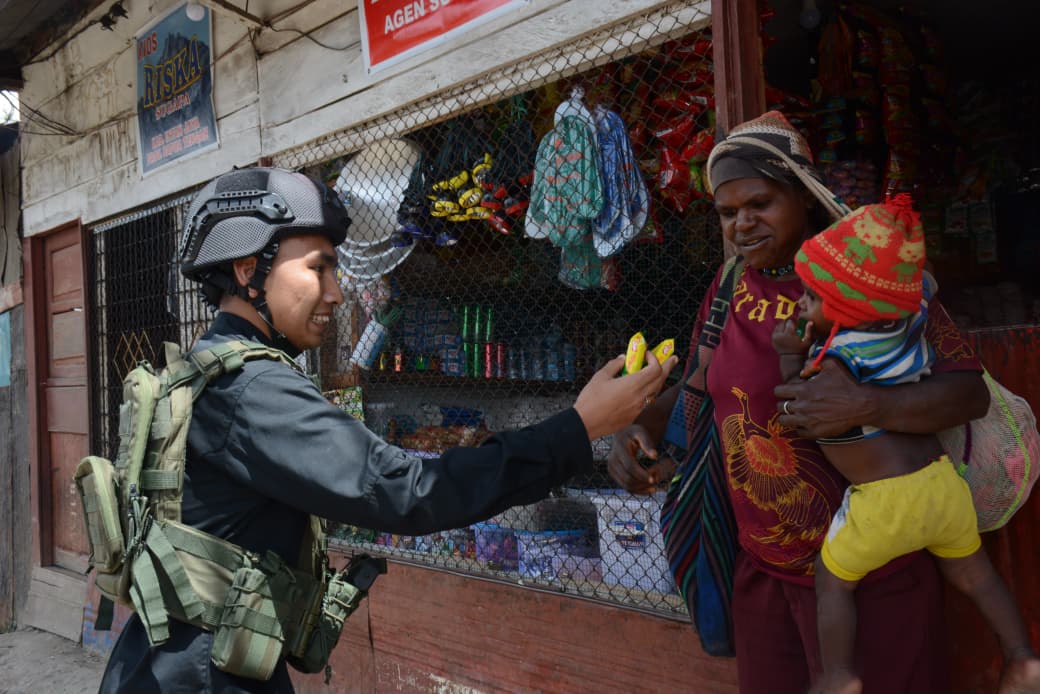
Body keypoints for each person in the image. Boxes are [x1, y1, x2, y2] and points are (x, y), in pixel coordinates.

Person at [99, 166, 677, 692]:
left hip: (180, 661)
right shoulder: (251, 390)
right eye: (317, 269)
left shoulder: (210, 367)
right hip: (202, 676)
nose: (334, 292)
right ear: (250, 271)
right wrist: (581, 427)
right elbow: (406, 491)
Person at [607, 111, 991, 692]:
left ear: (805, 197)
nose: (741, 224)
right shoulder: (729, 285)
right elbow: (700, 387)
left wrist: (868, 405)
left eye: (760, 204)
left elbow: (969, 392)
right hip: (763, 576)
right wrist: (641, 428)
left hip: (871, 575)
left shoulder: (869, 273)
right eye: (728, 213)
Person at [771, 195, 1040, 694]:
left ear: (850, 308)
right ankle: (1023, 659)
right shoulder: (907, 320)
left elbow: (801, 410)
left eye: (811, 297)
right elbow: (920, 284)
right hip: (942, 485)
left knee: (832, 580)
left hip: (885, 501)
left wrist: (790, 355)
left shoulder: (835, 361)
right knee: (976, 577)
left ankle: (838, 676)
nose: (800, 306)